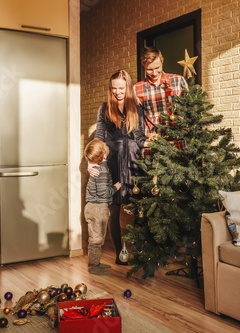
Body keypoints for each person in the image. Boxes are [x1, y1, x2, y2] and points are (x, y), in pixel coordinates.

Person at [88, 69, 146, 265]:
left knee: (138, 207)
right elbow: (99, 137)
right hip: (111, 163)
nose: (117, 92)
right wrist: (92, 162)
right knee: (113, 208)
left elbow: (139, 138)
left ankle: (137, 250)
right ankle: (119, 254)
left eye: (121, 88)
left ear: (127, 87)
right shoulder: (104, 108)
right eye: (114, 89)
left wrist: (149, 145)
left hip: (133, 162)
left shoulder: (137, 108)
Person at [84, 139, 121, 275]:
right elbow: (103, 192)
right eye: (105, 146)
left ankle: (96, 262)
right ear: (104, 154)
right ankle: (93, 267)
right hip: (97, 208)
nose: (107, 145)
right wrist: (115, 188)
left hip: (95, 207)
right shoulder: (102, 170)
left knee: (96, 238)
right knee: (96, 239)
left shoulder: (95, 167)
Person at [134, 46, 189, 137]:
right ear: (144, 66)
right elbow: (138, 122)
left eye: (157, 68)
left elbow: (190, 109)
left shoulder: (179, 81)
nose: (154, 73)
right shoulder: (136, 89)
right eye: (150, 70)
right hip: (153, 142)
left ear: (162, 62)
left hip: (179, 141)